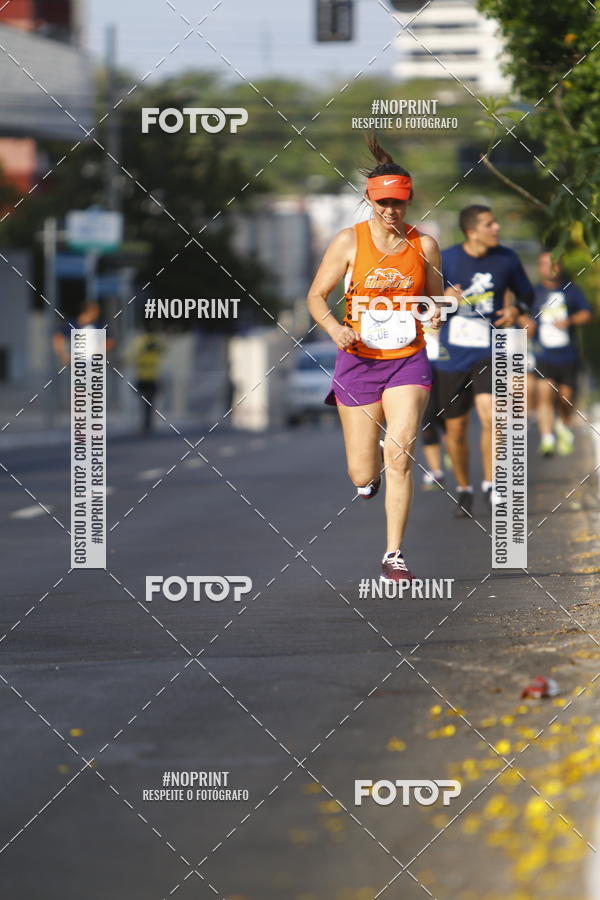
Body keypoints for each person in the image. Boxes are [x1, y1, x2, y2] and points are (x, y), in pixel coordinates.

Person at [306, 136, 443, 583]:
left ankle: (394, 555)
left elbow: (436, 300)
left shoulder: (425, 246)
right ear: (369, 199)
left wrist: (437, 313)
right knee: (362, 471)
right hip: (358, 362)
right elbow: (315, 296)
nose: (391, 210)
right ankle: (369, 480)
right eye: (383, 202)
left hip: (408, 358)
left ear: (408, 201)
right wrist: (334, 329)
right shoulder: (349, 241)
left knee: (400, 451)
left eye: (398, 203)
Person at [436, 205, 533, 517]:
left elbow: (526, 293)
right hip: (452, 355)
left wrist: (516, 309)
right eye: (490, 224)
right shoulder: (446, 259)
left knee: (492, 417)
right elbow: (424, 301)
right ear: (471, 231)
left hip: (489, 350)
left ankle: (492, 484)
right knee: (457, 430)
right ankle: (464, 488)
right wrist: (444, 299)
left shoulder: (506, 259)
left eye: (496, 222)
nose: (497, 228)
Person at [532, 251, 593, 456]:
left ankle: (563, 426)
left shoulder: (571, 290)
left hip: (568, 355)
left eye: (555, 263)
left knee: (566, 399)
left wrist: (570, 321)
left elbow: (587, 313)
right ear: (540, 267)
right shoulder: (534, 293)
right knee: (545, 394)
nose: (551, 267)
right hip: (543, 355)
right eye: (545, 263)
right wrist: (526, 325)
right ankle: (547, 439)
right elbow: (521, 317)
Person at [420, 322, 446, 489]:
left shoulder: (445, 299)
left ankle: (453, 452)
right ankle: (436, 472)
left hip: (447, 366)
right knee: (427, 420)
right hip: (420, 365)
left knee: (448, 418)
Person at [127, 329, 167, 435]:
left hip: (147, 378)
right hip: (147, 378)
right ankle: (146, 424)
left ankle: (146, 424)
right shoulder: (149, 344)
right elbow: (164, 348)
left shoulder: (142, 343)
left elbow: (131, 356)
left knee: (147, 403)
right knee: (147, 403)